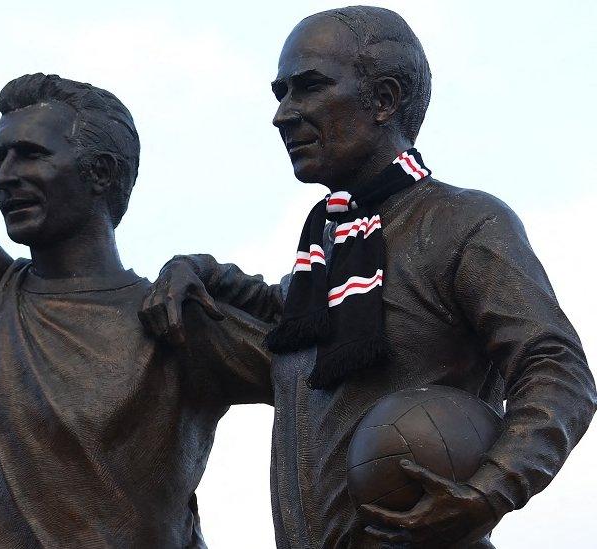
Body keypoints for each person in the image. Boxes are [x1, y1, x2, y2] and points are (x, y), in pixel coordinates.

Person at [140, 6, 597, 548]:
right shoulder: (326, 257)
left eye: (308, 88)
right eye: (280, 93)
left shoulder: (465, 223)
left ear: (384, 100)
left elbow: (557, 369)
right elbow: (275, 307)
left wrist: (493, 488)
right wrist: (195, 268)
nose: (283, 114)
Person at [0, 1, 273, 547]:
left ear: (101, 172)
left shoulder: (175, 317)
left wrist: (213, 273)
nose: (5, 176)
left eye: (29, 155)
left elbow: (328, 371)